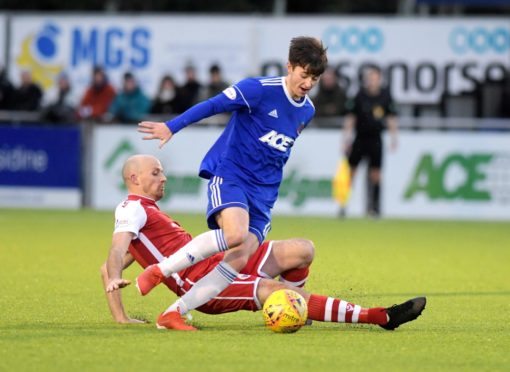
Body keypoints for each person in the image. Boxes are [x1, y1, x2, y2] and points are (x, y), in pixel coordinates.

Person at [135, 36, 342, 328]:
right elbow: (213, 105)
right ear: (290, 66)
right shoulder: (257, 89)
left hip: (264, 195)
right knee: (234, 233)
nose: (308, 83)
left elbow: (276, 152)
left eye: (315, 78)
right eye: (304, 75)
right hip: (232, 175)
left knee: (237, 259)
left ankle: (173, 313)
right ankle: (160, 270)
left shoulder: (307, 111)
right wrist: (172, 126)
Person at [101, 154, 426, 331]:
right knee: (286, 293)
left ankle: (299, 313)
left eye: (162, 172)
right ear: (135, 179)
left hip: (223, 259)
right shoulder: (131, 209)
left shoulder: (150, 214)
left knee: (302, 250)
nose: (163, 177)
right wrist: (117, 289)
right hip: (203, 284)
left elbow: (111, 265)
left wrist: (116, 290)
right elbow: (115, 254)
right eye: (156, 172)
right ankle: (380, 317)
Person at [342, 65, 398, 217]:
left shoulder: (385, 96)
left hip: (376, 139)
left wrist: (394, 138)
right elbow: (351, 118)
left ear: (379, 79)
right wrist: (346, 139)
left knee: (376, 174)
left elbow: (391, 118)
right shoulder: (359, 95)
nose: (372, 81)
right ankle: (344, 205)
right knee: (351, 173)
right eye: (370, 78)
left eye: (375, 77)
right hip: (360, 139)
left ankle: (375, 208)